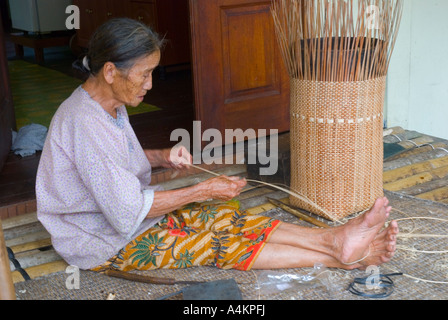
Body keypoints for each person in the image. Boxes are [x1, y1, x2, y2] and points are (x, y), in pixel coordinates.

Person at [36, 18, 399, 274]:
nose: (149, 84)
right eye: (144, 74)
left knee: (222, 217)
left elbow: (115, 163)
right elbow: (126, 211)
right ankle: (342, 257)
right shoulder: (82, 121)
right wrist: (203, 189)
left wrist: (162, 156)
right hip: (100, 243)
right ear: (111, 71)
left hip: (124, 222)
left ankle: (334, 238)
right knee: (212, 242)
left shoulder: (109, 106)